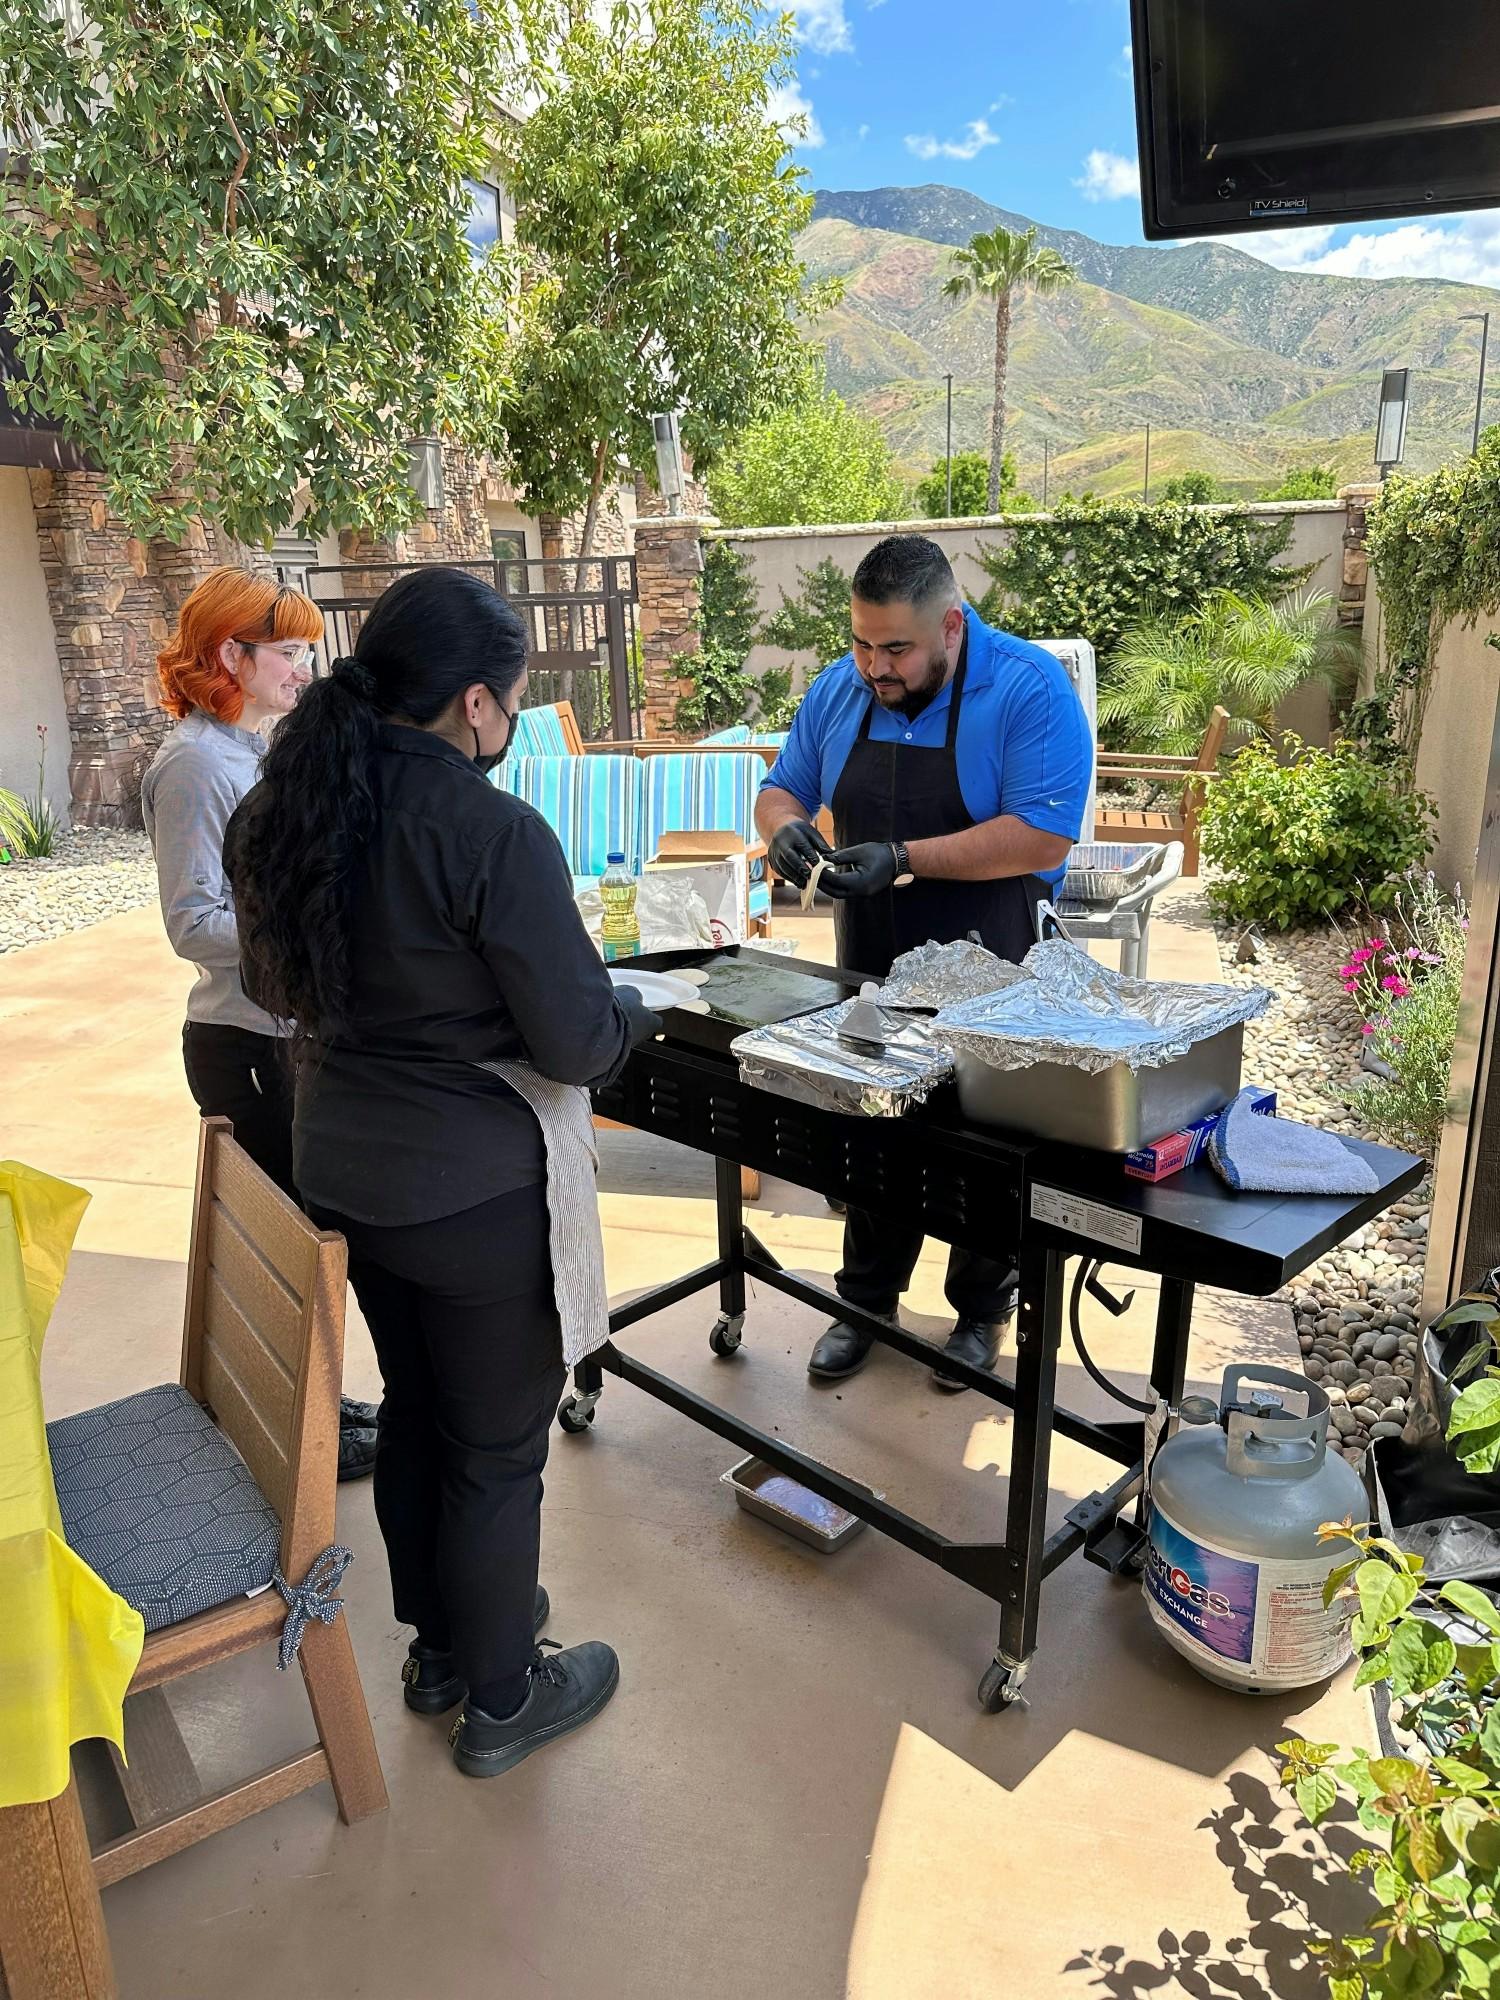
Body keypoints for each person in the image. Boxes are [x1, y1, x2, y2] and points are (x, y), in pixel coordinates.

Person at [225, 565, 662, 1780]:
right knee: (497, 1445)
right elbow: (577, 1038)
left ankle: (436, 1651)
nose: (509, 722)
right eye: (512, 701)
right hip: (469, 1188)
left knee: (422, 1404)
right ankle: (506, 1693)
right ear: (476, 703)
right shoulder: (490, 830)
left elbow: (272, 988)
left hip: (345, 1169)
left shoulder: (286, 807)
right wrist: (635, 1011)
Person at [754, 534, 1092, 1389]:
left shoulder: (1025, 689)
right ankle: (866, 1299)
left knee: (982, 1142)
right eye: (862, 644)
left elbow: (1044, 834)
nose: (876, 666)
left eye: (896, 648)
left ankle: (981, 1311)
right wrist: (783, 826)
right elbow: (781, 786)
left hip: (994, 961)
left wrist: (905, 855)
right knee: (874, 1133)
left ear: (951, 624)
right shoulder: (842, 689)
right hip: (870, 962)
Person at [141, 568, 378, 1479]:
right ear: (229, 655)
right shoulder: (197, 763)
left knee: (309, 1240)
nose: (301, 669)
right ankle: (294, 1434)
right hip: (244, 1043)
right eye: (286, 652)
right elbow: (192, 923)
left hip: (284, 1034)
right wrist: (307, 922)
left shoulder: (249, 750)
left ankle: (315, 1406)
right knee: (286, 1250)